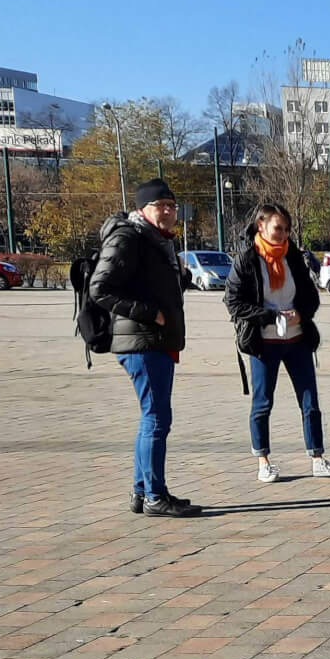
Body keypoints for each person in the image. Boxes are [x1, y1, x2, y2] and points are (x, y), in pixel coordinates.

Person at [88, 179, 200, 517]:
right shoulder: (128, 238)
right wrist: (151, 313)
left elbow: (149, 283)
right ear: (143, 209)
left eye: (171, 205)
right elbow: (100, 288)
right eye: (159, 205)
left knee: (152, 417)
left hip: (154, 341)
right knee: (157, 418)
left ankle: (144, 491)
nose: (166, 211)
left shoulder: (156, 240)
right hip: (142, 341)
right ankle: (154, 496)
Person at [222, 204, 330, 484]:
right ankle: (263, 460)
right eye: (278, 228)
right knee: (263, 402)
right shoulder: (247, 260)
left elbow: (311, 296)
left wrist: (300, 312)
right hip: (264, 342)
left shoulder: (293, 257)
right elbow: (234, 303)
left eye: (287, 229)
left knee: (310, 401)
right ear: (261, 226)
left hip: (297, 338)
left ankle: (317, 457)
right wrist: (268, 315)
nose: (283, 234)